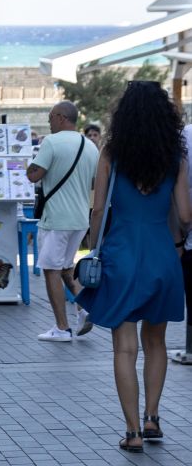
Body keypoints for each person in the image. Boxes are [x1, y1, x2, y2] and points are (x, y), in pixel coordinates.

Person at [76, 81, 191, 453]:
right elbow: (186, 215)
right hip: (163, 253)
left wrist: (94, 246)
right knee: (155, 342)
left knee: (124, 348)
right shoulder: (175, 156)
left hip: (121, 253)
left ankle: (131, 432)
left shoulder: (111, 152)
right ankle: (152, 417)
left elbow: (97, 209)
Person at [26, 101, 99, 341]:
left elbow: (34, 174)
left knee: (50, 270)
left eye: (49, 117)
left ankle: (62, 328)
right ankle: (85, 309)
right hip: (80, 219)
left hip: (56, 219)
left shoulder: (51, 142)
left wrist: (29, 167)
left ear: (60, 117)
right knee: (67, 269)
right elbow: (93, 183)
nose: (48, 121)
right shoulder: (89, 146)